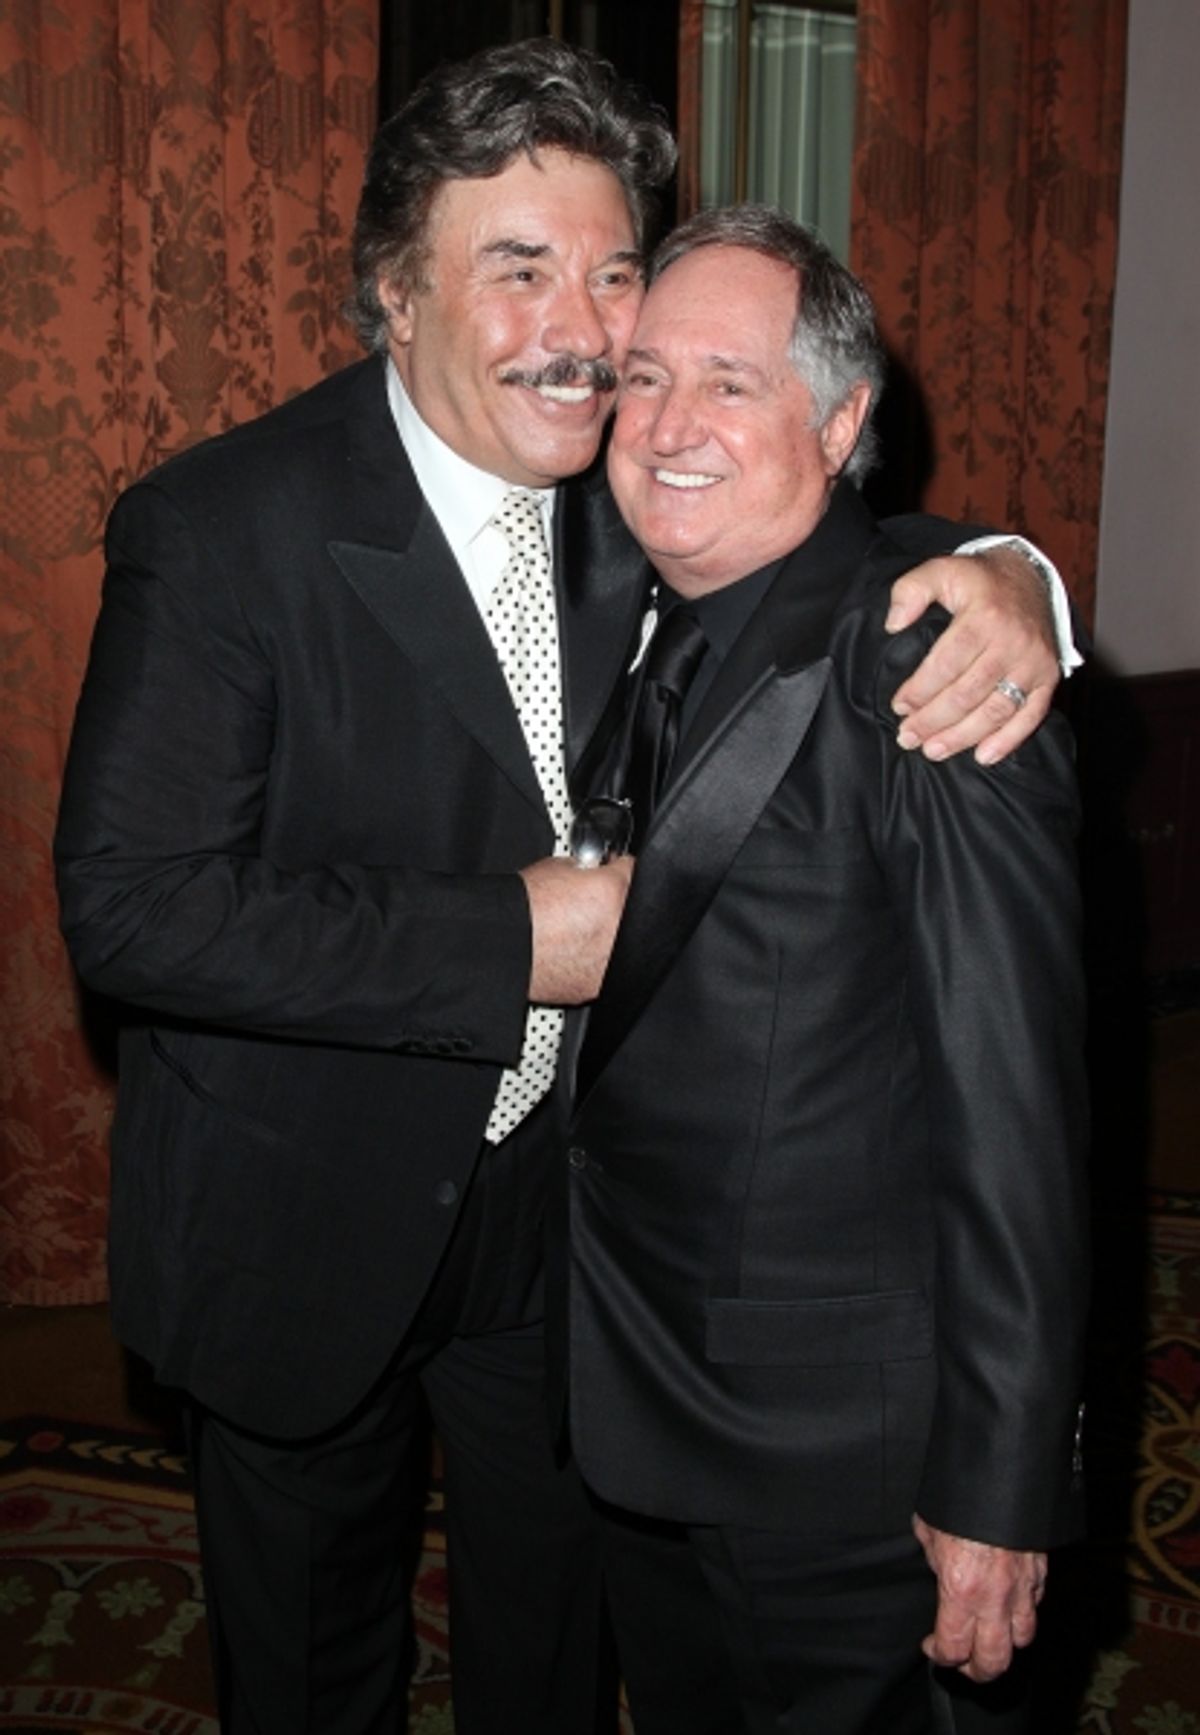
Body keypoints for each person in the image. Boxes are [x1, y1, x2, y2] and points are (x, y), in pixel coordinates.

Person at [54, 38, 1072, 1735]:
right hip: (307, 1220)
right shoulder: (227, 527)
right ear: (396, 291)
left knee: (554, 1662)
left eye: (611, 272)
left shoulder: (625, 489)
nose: (587, 333)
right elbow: (136, 906)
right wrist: (519, 936)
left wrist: (1007, 576)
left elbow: (803, 514)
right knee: (311, 1674)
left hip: (572, 1254)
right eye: (518, 270)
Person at [558, 205, 1088, 1735]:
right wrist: (1011, 558)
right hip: (644, 1407)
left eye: (731, 383)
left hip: (841, 1470)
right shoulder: (638, 599)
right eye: (646, 377)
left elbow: (1015, 1118)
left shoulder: (931, 667)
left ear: (844, 420)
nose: (667, 427)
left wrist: (996, 1489)